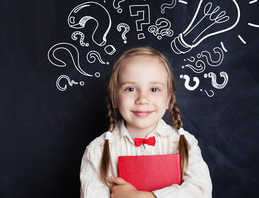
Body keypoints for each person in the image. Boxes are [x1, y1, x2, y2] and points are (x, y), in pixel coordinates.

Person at [80, 46, 212, 198]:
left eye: (154, 89)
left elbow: (201, 192)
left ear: (169, 98)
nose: (142, 99)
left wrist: (143, 197)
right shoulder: (98, 150)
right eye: (130, 89)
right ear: (115, 97)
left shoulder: (184, 143)